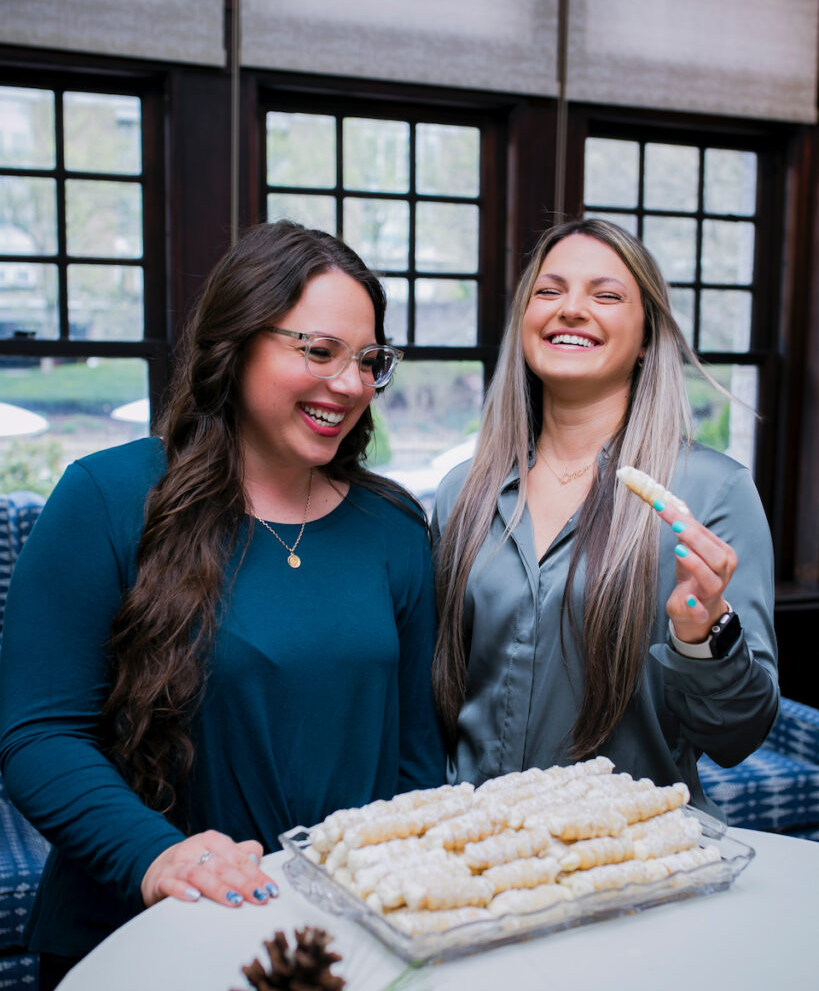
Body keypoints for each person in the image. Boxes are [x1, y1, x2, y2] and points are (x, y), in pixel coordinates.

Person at [0, 221, 445, 987]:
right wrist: (156, 856)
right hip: (144, 934)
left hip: (332, 947)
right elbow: (38, 734)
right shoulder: (107, 497)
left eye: (369, 360)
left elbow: (413, 761)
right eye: (318, 350)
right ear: (234, 344)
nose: (349, 383)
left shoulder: (395, 529)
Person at [432, 218, 778, 812]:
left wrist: (704, 635)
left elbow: (737, 738)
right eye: (549, 291)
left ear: (646, 337)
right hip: (480, 862)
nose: (571, 309)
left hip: (635, 869)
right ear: (524, 324)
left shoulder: (712, 494)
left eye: (606, 294)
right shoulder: (462, 493)